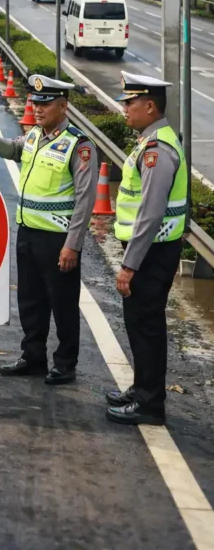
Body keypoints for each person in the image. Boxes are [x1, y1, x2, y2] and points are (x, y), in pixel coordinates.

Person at [0, 74, 99, 385]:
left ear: (63, 106)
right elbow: (14, 150)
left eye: (45, 104)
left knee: (62, 303)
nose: (38, 108)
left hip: (58, 238)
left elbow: (86, 201)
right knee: (30, 300)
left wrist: (73, 244)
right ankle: (33, 357)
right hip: (29, 232)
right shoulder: (34, 135)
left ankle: (65, 363)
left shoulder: (78, 145)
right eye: (35, 102)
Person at [105, 72, 187, 427]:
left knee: (146, 327)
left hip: (152, 252)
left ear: (150, 106)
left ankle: (150, 405)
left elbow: (150, 215)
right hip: (151, 250)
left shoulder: (158, 151)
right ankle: (141, 390)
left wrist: (129, 265)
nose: (124, 108)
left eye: (130, 102)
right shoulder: (150, 141)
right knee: (139, 324)